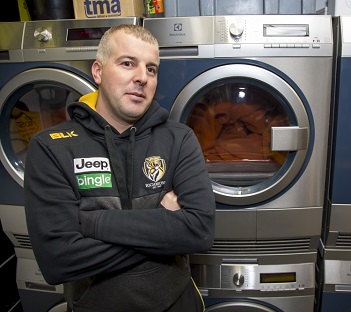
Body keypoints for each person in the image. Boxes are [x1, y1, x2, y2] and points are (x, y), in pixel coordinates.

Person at [23, 24, 216, 312]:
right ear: (98, 72)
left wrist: (93, 223)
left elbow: (199, 231)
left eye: (151, 69)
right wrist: (164, 224)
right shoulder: (51, 147)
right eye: (128, 63)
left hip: (177, 303)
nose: (142, 77)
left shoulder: (178, 138)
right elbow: (58, 261)